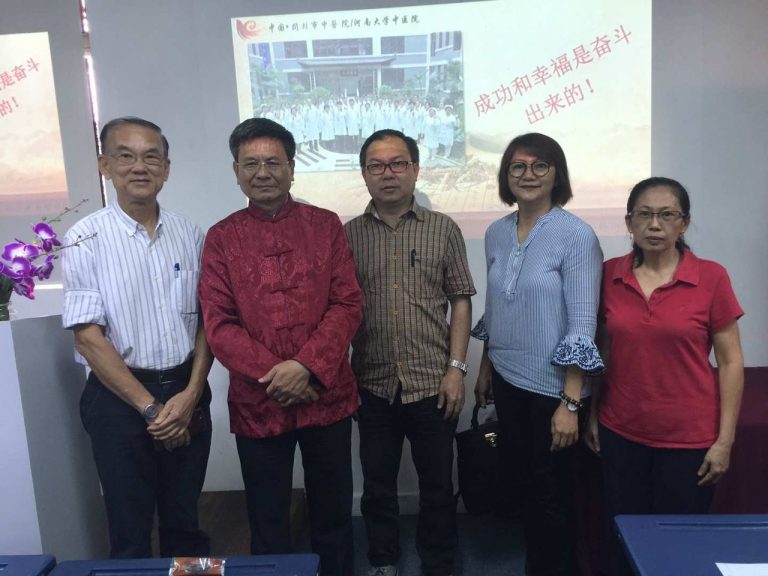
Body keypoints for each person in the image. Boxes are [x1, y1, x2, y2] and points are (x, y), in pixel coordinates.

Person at [198, 117, 363, 576]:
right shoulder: (221, 237)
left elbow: (347, 303)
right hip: (259, 401)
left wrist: (306, 367)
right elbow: (219, 323)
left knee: (332, 511)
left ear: (292, 168)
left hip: (325, 394)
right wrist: (279, 375)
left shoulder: (325, 225)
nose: (263, 172)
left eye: (273, 162)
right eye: (250, 164)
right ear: (236, 172)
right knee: (267, 517)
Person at [61, 117, 213, 558]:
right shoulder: (84, 238)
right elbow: (88, 339)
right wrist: (151, 409)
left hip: (185, 391)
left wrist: (191, 394)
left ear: (166, 168)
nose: (140, 167)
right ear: (105, 165)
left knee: (186, 523)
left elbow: (209, 322)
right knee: (130, 531)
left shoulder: (190, 234)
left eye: (151, 157)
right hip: (118, 401)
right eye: (125, 156)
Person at [585, 176, 744, 575]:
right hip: (621, 432)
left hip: (688, 440)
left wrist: (724, 441)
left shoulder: (711, 277)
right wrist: (593, 414)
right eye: (644, 215)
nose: (655, 225)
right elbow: (602, 351)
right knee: (626, 539)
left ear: (684, 223)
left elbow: (730, 362)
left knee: (679, 548)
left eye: (667, 215)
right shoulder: (610, 275)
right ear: (629, 222)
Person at [345, 129, 476, 576]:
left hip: (433, 382)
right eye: (377, 165)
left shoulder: (443, 228)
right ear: (364, 173)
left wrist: (456, 369)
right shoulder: (348, 235)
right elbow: (338, 310)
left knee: (437, 486)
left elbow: (461, 299)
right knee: (377, 485)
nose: (388, 174)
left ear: (415, 169)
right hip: (372, 382)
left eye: (398, 163)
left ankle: (438, 564)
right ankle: (383, 561)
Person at [473, 132, 604, 576]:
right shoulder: (496, 233)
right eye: (518, 166)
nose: (528, 175)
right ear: (506, 176)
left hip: (554, 390)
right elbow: (496, 306)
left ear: (556, 175)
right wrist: (486, 367)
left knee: (551, 493)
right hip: (507, 377)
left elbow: (583, 323)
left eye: (539, 166)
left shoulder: (576, 235)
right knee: (524, 484)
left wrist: (571, 402)